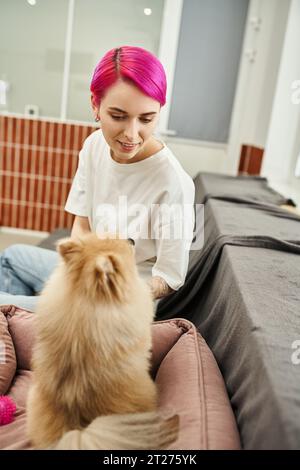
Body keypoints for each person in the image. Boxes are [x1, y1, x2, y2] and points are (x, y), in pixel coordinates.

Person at [0, 46, 195, 312]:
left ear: (159, 110)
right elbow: (82, 226)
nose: (132, 134)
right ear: (95, 105)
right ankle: (22, 332)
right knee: (12, 257)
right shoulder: (94, 146)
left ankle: (23, 325)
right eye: (118, 116)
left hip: (121, 300)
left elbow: (171, 278)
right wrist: (77, 274)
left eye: (147, 119)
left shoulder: (175, 183)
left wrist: (111, 288)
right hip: (86, 275)